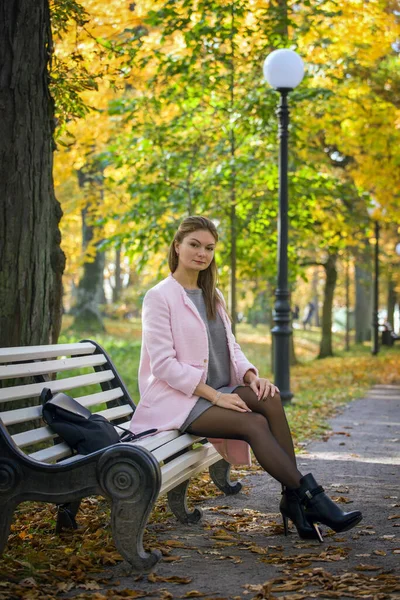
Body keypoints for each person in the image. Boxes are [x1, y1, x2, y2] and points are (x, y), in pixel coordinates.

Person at [130, 216, 362, 542]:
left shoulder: (213, 294)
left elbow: (231, 347)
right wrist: (215, 396)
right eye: (194, 245)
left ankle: (294, 499)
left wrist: (252, 376)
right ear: (177, 246)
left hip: (220, 388)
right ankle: (310, 499)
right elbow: (164, 365)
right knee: (253, 423)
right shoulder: (159, 297)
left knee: (269, 397)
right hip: (181, 400)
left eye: (209, 248)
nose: (202, 253)